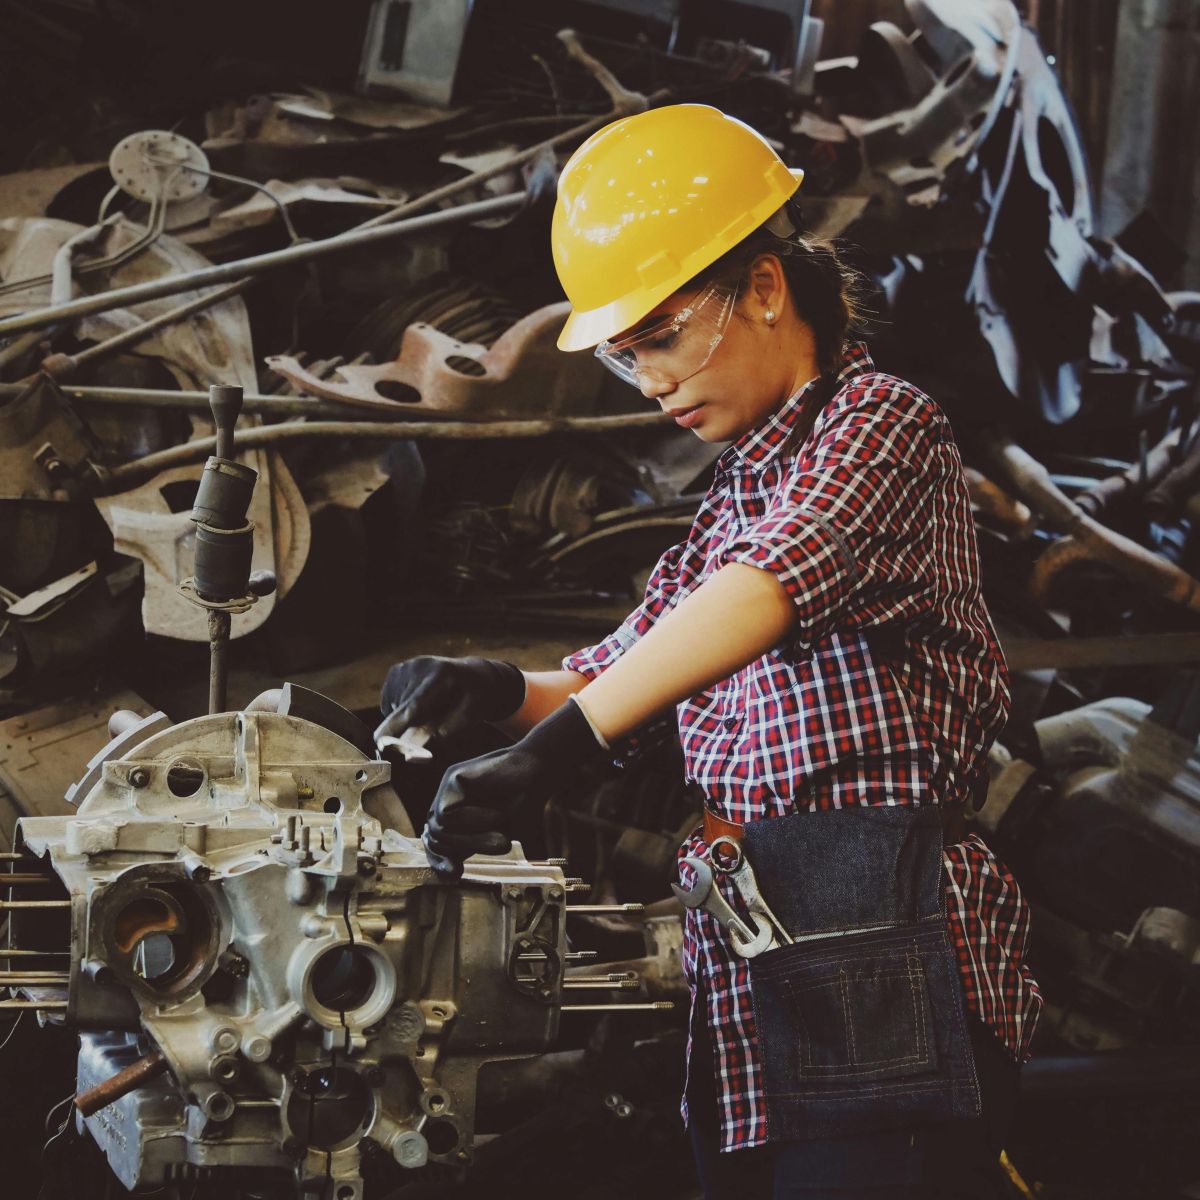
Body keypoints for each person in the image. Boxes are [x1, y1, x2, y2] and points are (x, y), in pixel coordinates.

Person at [378, 105, 1042, 1198]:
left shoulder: (881, 424)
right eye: (629, 354)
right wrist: (492, 693)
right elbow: (617, 671)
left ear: (767, 288)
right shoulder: (737, 493)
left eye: (664, 337)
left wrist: (565, 748)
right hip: (753, 955)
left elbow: (767, 588)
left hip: (882, 941)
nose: (649, 383)